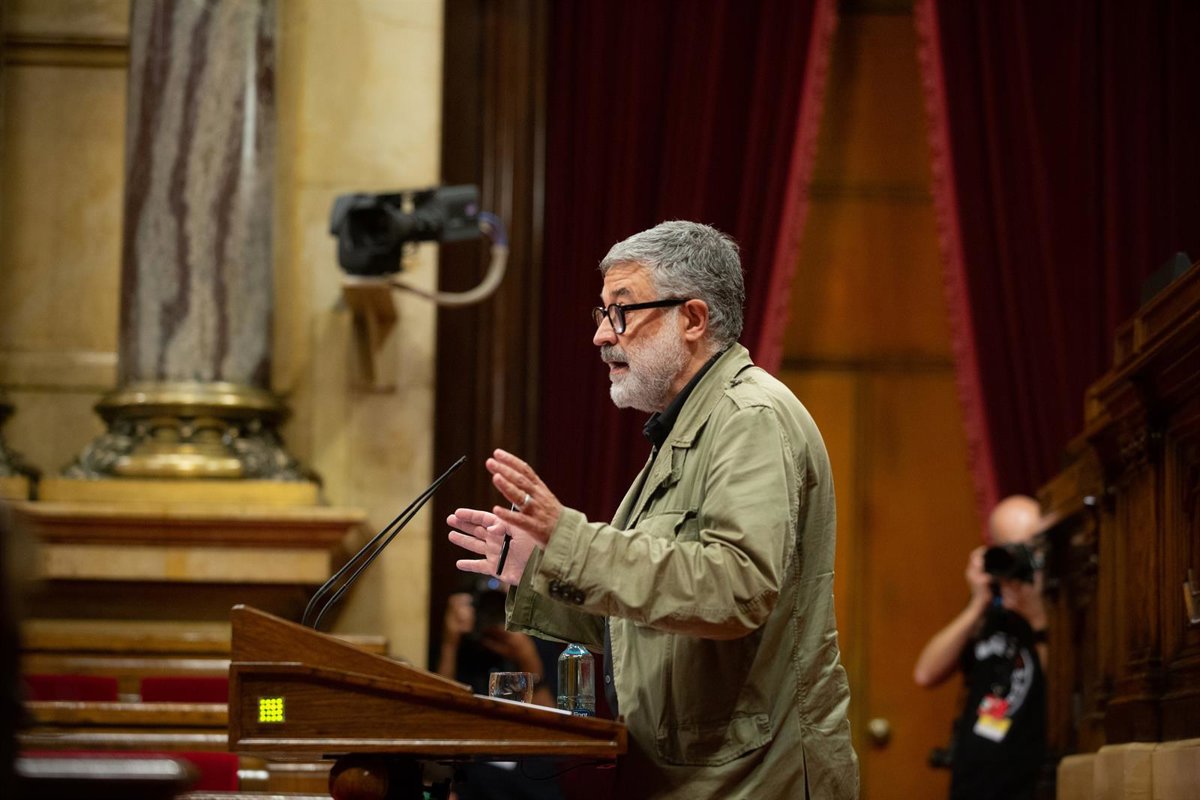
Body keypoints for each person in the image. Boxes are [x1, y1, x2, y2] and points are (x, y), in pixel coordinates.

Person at [447, 221, 859, 798]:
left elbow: (736, 588)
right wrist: (539, 569)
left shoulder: (749, 418)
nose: (601, 335)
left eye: (622, 311)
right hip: (692, 776)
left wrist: (573, 541)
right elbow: (644, 624)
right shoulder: (690, 425)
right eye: (602, 313)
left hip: (750, 782)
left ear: (692, 319)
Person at [912, 494, 1048, 800]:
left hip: (1028, 785)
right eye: (1007, 549)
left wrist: (1036, 617)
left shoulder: (1058, 604)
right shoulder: (988, 610)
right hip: (971, 784)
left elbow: (1061, 687)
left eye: (1028, 548)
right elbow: (925, 673)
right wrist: (978, 603)